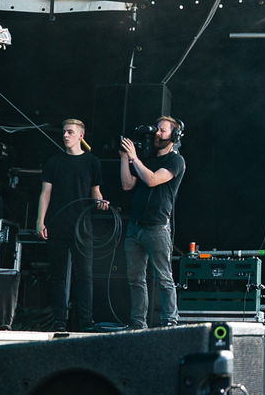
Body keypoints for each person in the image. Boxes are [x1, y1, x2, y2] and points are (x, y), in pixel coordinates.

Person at [37, 118, 109, 332]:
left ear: (80, 136)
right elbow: (45, 193)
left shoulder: (92, 162)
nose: (65, 135)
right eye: (64, 132)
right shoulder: (54, 162)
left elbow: (95, 192)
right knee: (58, 274)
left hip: (82, 226)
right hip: (57, 224)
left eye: (70, 132)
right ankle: (60, 321)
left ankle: (85, 321)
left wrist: (101, 202)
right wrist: (40, 221)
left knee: (84, 274)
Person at [118, 116, 184, 329]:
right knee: (135, 279)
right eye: (156, 129)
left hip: (157, 227)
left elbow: (153, 180)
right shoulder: (147, 157)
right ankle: (138, 323)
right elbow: (128, 185)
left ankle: (169, 322)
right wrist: (124, 158)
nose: (157, 133)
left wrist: (135, 159)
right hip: (135, 226)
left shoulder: (176, 161)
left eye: (162, 130)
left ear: (173, 136)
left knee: (164, 278)